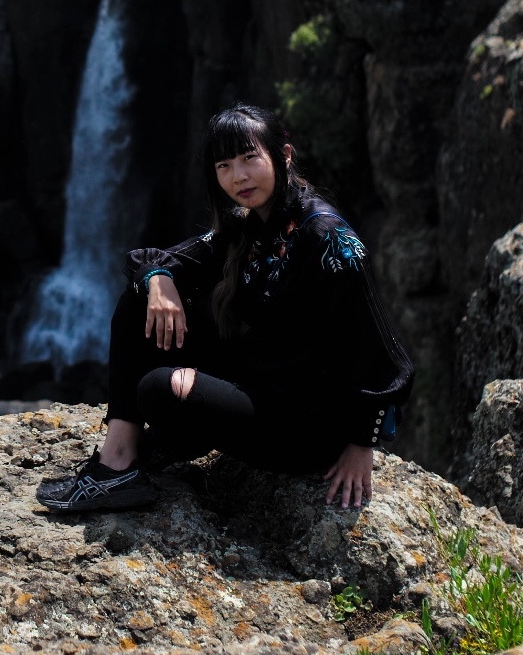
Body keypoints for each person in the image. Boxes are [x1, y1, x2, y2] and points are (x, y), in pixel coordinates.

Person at [33, 105, 415, 514]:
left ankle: (146, 452)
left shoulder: (327, 239)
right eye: (225, 165)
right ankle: (118, 463)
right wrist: (159, 281)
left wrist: (362, 445)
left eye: (250, 158)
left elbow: (384, 357)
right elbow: (153, 259)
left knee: (160, 390)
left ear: (283, 155)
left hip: (302, 424)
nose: (239, 176)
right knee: (141, 297)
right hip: (255, 379)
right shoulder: (248, 225)